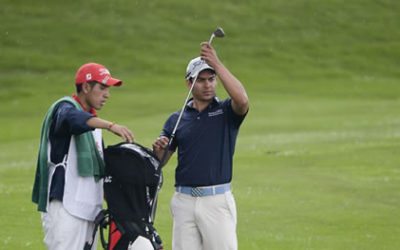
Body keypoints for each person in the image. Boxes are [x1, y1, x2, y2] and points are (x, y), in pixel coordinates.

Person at [153, 42, 249, 250]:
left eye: (211, 79)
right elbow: (161, 161)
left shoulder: (225, 112)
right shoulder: (176, 119)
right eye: (201, 80)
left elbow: (242, 100)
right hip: (183, 201)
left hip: (216, 201)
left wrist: (215, 62)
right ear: (189, 84)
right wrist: (159, 151)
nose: (208, 85)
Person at [32, 62, 134, 250]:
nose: (107, 94)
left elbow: (102, 169)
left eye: (108, 89)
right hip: (65, 206)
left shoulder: (93, 124)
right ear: (86, 87)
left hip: (88, 209)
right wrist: (111, 125)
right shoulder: (63, 109)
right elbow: (74, 120)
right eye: (102, 88)